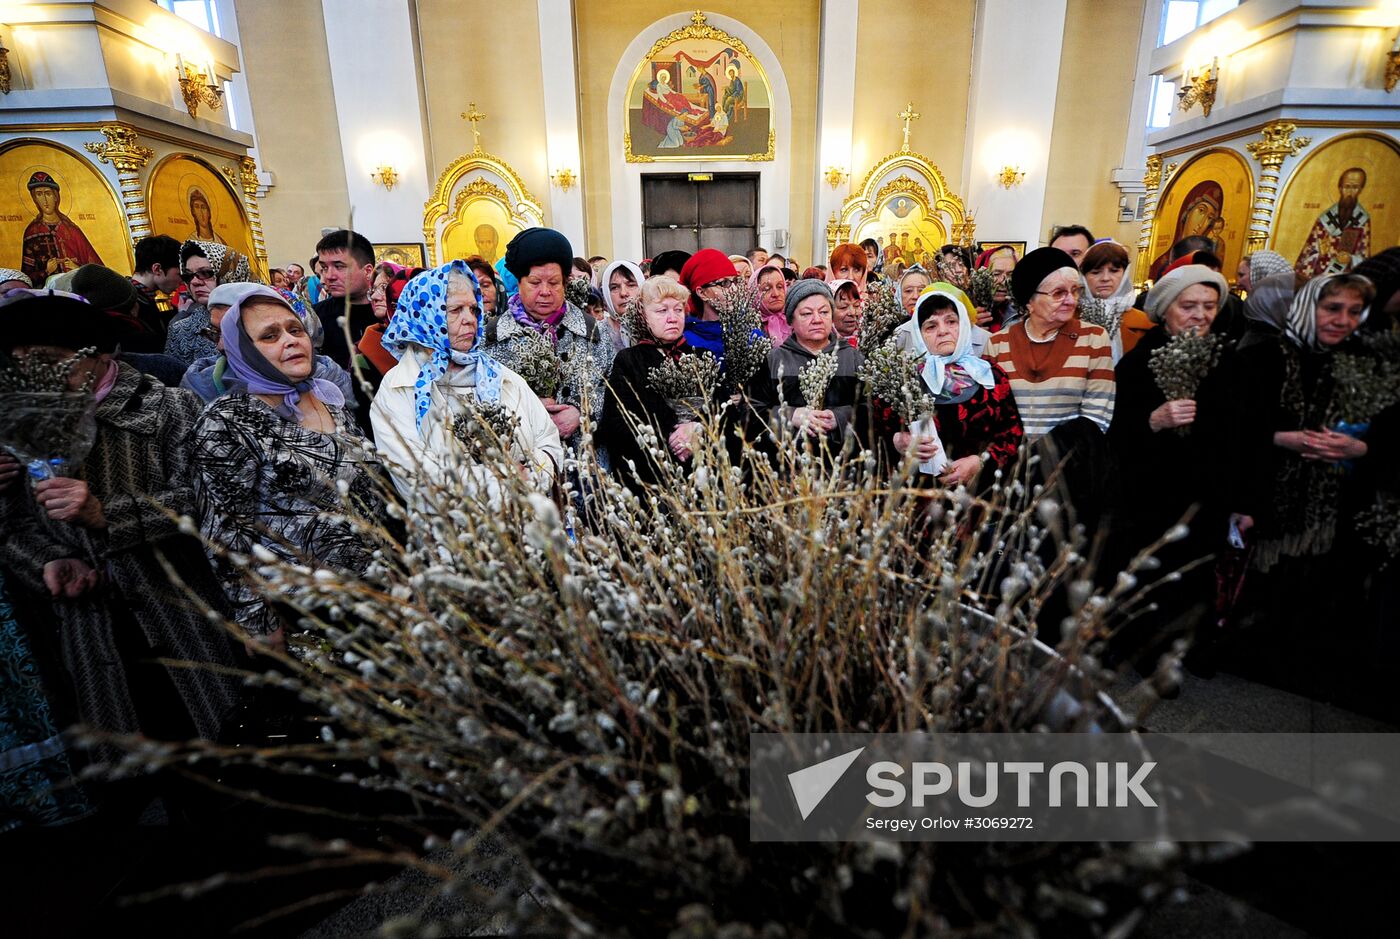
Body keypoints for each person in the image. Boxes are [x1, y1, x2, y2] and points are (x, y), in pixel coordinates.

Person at [0, 293, 241, 750]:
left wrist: (108, 515)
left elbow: (212, 504)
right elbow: (12, 526)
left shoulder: (171, 409)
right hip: (92, 628)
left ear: (99, 356)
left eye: (50, 361)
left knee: (218, 752)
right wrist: (49, 563)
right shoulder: (21, 426)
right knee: (136, 764)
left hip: (181, 614)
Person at [1219, 272, 1393, 702]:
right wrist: (1279, 438)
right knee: (1258, 585)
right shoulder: (1262, 359)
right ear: (1307, 306)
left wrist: (1361, 447)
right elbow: (1228, 428)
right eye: (1332, 308)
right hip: (1267, 493)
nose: (1343, 320)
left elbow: (1387, 433)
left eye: (1354, 312)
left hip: (1331, 505)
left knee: (1310, 593)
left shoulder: (1363, 366)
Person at [191, 288, 384, 646]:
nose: (291, 341)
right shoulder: (228, 422)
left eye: (295, 330)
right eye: (270, 335)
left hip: (371, 591)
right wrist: (258, 621)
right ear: (242, 350)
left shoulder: (329, 401)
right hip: (300, 608)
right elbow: (224, 534)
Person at [1108, 265, 1233, 666]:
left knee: (1195, 573)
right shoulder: (1136, 364)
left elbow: (1242, 428)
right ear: (1166, 310)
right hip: (1150, 494)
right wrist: (1153, 420)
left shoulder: (1226, 360)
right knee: (1151, 573)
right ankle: (1146, 652)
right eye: (1189, 305)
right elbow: (1117, 431)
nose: (1200, 315)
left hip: (1205, 493)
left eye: (1209, 306)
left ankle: (1187, 651)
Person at [370, 262, 562, 502]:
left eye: (473, 309)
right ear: (426, 316)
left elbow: (548, 439)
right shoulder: (399, 388)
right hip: (450, 534)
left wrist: (532, 477)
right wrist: (503, 485)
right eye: (455, 310)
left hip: (527, 527)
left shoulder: (499, 375)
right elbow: (416, 478)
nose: (470, 319)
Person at [875, 283, 1023, 491]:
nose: (943, 331)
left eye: (951, 321)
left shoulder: (991, 377)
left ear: (964, 326)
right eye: (931, 326)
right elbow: (874, 432)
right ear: (919, 334)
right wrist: (898, 441)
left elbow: (1012, 435)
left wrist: (980, 462)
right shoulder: (901, 381)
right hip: (916, 500)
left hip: (980, 497)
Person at [483, 227, 615, 447]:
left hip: (587, 467)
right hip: (524, 465)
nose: (545, 291)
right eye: (535, 283)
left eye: (554, 283)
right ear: (519, 283)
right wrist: (529, 414)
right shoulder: (492, 338)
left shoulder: (593, 332)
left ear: (565, 283)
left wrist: (582, 412)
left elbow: (613, 390)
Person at [984, 247, 1116, 438]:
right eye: (1058, 293)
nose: (1070, 300)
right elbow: (990, 412)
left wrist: (1049, 456)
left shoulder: (1094, 338)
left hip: (1070, 460)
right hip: (1012, 462)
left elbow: (1097, 415)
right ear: (1030, 300)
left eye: (1075, 291)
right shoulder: (997, 343)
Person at [597, 277, 709, 494]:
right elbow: (618, 424)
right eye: (661, 311)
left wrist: (698, 428)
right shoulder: (629, 361)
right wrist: (674, 439)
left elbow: (724, 411)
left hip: (701, 475)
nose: (672, 318)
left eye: (678, 310)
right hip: (651, 478)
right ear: (643, 316)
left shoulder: (701, 357)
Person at [183, 283, 354, 404]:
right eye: (215, 333)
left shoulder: (328, 379)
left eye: (294, 330)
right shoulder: (205, 390)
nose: (222, 345)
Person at [753, 280, 865, 455]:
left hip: (842, 465)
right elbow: (750, 412)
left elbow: (873, 410)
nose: (817, 320)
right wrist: (790, 415)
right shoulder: (774, 360)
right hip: (787, 464)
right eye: (806, 314)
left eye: (824, 312)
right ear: (791, 320)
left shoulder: (852, 358)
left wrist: (839, 418)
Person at [164, 239, 254, 366]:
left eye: (205, 273)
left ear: (231, 274)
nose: (195, 282)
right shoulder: (181, 330)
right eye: (189, 276)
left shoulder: (265, 317)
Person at [19, 172, 102, 286]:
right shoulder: (32, 232)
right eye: (39, 194)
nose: (44, 200)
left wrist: (78, 269)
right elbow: (26, 279)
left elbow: (99, 270)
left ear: (56, 196)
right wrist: (46, 271)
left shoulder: (72, 230)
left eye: (48, 194)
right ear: (35, 199)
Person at [312, 230, 377, 372]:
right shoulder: (314, 316)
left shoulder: (390, 313)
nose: (329, 276)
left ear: (367, 271)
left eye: (339, 266)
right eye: (324, 268)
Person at [1079, 240, 1151, 363]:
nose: (1105, 278)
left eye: (1114, 271)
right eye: (1096, 272)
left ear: (1125, 274)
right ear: (1083, 277)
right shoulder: (1068, 319)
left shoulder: (1145, 324)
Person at [1294, 167, 1371, 279]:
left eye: (1355, 187)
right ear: (1340, 188)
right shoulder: (1325, 219)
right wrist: (1324, 254)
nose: (1350, 192)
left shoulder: (1362, 220)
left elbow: (1365, 257)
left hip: (1346, 280)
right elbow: (1308, 253)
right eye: (1347, 187)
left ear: (1361, 189)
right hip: (1320, 276)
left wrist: (1351, 259)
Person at [357, 262, 422, 380]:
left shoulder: (437, 338)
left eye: (384, 288)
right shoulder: (368, 348)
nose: (374, 297)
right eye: (373, 290)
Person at [131, 234, 184, 334]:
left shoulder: (142, 297)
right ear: (157, 269)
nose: (182, 281)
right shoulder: (130, 302)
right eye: (179, 274)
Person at [601, 259, 645, 352]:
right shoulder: (597, 333)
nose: (624, 293)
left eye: (631, 285)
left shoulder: (654, 328)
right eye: (614, 287)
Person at [751, 261, 790, 342]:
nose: (775, 294)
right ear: (755, 293)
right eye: (767, 289)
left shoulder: (794, 320)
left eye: (780, 287)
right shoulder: (747, 326)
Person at [830, 279, 861, 345]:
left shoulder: (870, 338)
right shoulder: (821, 345)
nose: (852, 313)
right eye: (843, 307)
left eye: (856, 305)